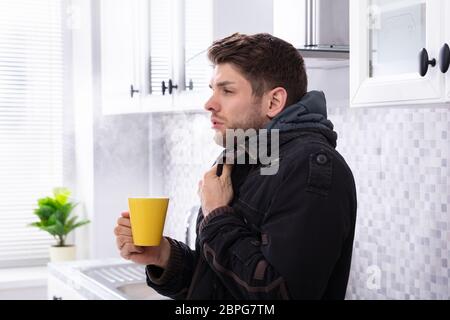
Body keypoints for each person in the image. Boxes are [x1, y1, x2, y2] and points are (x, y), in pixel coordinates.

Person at [114, 33, 357, 300]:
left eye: (227, 91)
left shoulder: (310, 167)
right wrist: (163, 255)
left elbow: (279, 295)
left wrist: (217, 214)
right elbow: (221, 284)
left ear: (273, 102)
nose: (209, 104)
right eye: (212, 89)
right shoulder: (245, 157)